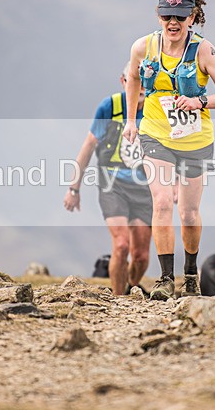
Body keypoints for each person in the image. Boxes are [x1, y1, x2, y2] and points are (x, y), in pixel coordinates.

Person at [122, 0, 215, 300]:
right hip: (155, 133)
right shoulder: (143, 47)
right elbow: (133, 80)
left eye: (180, 17)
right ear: (158, 17)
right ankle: (165, 279)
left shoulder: (204, 50)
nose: (173, 23)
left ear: (192, 16)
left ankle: (190, 274)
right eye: (166, 17)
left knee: (187, 213)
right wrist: (131, 121)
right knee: (160, 203)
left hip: (194, 140)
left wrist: (200, 101)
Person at [63, 63, 152, 295]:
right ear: (124, 82)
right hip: (112, 185)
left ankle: (132, 287)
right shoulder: (110, 107)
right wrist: (74, 188)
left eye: (145, 81)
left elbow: (171, 150)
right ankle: (119, 298)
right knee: (121, 245)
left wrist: (172, 185)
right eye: (135, 80)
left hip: (146, 189)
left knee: (141, 256)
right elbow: (88, 146)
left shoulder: (155, 110)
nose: (140, 86)